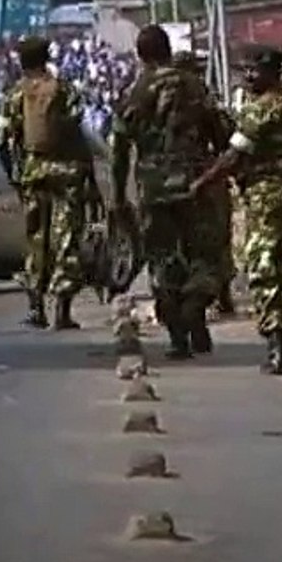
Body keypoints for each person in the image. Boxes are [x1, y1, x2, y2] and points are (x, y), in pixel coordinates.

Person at [189, 46, 282, 373]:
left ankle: (277, 346)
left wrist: (203, 183)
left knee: (265, 268)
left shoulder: (259, 111)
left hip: (267, 197)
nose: (247, 78)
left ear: (271, 73)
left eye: (252, 71)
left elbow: (234, 156)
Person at [110, 25, 221, 359]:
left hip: (153, 186)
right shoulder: (195, 86)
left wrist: (118, 196)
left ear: (141, 55)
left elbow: (119, 148)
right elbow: (219, 131)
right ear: (169, 50)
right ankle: (196, 306)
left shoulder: (136, 92)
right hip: (195, 182)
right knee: (202, 253)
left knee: (161, 259)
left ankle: (177, 336)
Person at [0, 35, 93, 330]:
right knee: (66, 240)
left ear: (21, 62)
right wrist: (87, 175)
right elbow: (78, 132)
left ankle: (36, 309)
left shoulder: (15, 94)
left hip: (33, 173)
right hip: (67, 174)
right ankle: (62, 311)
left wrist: (13, 173)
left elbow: (1, 139)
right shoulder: (64, 90)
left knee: (37, 239)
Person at [171, 50, 238, 319]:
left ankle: (176, 297)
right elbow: (225, 137)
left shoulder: (148, 94)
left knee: (173, 244)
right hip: (201, 176)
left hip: (158, 181)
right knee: (215, 239)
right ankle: (218, 295)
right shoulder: (201, 97)